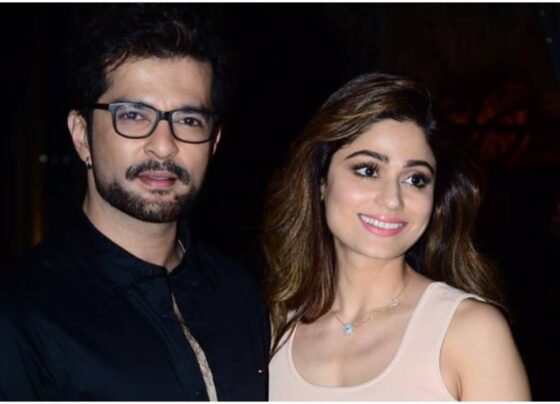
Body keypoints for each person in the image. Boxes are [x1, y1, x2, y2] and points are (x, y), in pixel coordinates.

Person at [0, 5, 268, 400]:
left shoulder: (241, 294)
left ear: (214, 143)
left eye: (188, 120)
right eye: (133, 115)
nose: (164, 145)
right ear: (81, 135)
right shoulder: (20, 315)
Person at [264, 73, 530, 400]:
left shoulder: (469, 331)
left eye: (415, 179)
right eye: (368, 170)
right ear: (320, 181)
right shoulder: (271, 330)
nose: (392, 199)